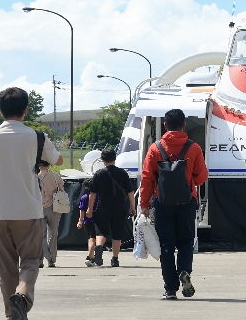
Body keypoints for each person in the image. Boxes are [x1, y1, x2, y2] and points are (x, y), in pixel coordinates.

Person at [0, 86, 63, 320]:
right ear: (26, 110)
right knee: (31, 262)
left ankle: (10, 317)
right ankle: (22, 298)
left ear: (0, 110)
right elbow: (57, 160)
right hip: (29, 210)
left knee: (6, 268)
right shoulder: (37, 137)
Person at [138, 108, 208, 300]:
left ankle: (170, 288)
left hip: (163, 203)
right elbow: (201, 178)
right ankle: (184, 270)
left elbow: (147, 178)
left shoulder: (155, 148)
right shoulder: (193, 148)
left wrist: (144, 203)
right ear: (184, 125)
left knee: (166, 244)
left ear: (165, 126)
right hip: (187, 202)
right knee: (186, 241)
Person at [89, 147, 134, 267]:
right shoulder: (123, 173)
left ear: (102, 159)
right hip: (119, 207)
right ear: (115, 158)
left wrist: (89, 208)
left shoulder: (99, 174)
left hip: (103, 206)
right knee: (117, 233)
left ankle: (99, 247)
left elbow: (92, 193)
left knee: (101, 231)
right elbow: (130, 192)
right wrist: (132, 206)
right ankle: (115, 259)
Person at [38, 159, 65, 268]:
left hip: (39, 207)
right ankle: (51, 259)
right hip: (54, 207)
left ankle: (40, 259)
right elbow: (62, 190)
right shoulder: (55, 176)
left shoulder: (35, 176)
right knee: (53, 234)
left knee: (40, 235)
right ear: (49, 164)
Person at [78, 179, 99, 267]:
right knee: (92, 240)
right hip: (95, 220)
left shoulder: (84, 197)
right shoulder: (98, 196)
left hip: (87, 221)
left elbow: (82, 210)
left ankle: (92, 256)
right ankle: (90, 257)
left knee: (90, 239)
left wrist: (80, 221)